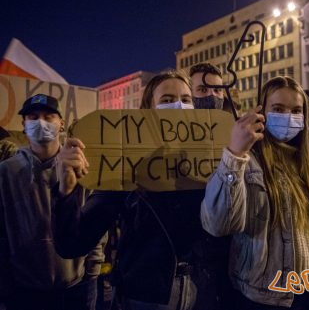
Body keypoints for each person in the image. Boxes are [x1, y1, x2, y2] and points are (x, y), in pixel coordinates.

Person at [53, 70, 227, 310]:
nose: (178, 106)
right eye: (167, 100)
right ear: (148, 111)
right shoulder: (124, 167)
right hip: (144, 295)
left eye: (186, 100)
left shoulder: (213, 163)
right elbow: (73, 243)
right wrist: (66, 192)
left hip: (203, 293)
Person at [201, 76, 309, 309]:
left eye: (296, 110)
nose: (288, 117)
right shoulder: (248, 162)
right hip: (266, 297)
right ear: (262, 112)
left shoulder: (308, 165)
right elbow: (219, 224)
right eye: (278, 109)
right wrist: (235, 154)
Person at [0, 94, 105, 310]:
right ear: (23, 124)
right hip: (24, 292)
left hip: (76, 288)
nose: (41, 123)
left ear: (61, 123)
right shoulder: (5, 172)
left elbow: (95, 227)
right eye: (33, 117)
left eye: (49, 117)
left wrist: (92, 275)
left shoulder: (81, 166)